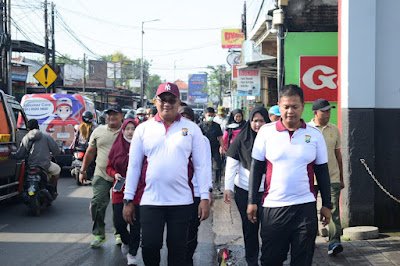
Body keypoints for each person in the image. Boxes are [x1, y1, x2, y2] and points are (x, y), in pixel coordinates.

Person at [123, 83, 210, 266]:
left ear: (179, 103)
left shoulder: (192, 129)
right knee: (149, 247)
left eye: (172, 100)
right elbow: (134, 166)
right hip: (150, 201)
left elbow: (201, 165)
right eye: (163, 100)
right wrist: (128, 199)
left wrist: (204, 197)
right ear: (156, 101)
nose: (167, 104)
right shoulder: (143, 129)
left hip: (182, 202)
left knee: (178, 251)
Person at [247, 84, 332, 265]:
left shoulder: (315, 135)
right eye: (286, 107)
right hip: (273, 207)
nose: (290, 112)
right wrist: (251, 201)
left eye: (295, 106)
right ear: (279, 105)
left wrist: (327, 204)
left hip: (305, 208)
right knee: (271, 259)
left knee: (303, 260)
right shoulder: (266, 132)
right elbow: (257, 168)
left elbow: (322, 172)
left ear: (303, 106)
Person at [224, 107, 270, 266]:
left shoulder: (273, 138)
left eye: (261, 121)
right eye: (255, 121)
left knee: (269, 229)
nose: (258, 124)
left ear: (267, 121)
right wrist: (227, 188)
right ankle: (252, 261)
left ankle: (267, 259)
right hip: (244, 190)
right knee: (250, 229)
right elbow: (231, 164)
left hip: (268, 193)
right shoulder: (241, 139)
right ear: (250, 121)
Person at [79, 105, 124, 248]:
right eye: (109, 114)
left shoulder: (128, 131)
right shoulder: (98, 131)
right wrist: (83, 170)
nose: (112, 117)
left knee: (119, 207)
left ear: (121, 116)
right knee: (98, 203)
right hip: (101, 174)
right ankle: (99, 233)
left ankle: (120, 233)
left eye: (115, 114)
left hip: (122, 177)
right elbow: (90, 152)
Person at [309, 98, 344, 256]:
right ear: (315, 112)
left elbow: (338, 155)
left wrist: (341, 177)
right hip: (311, 179)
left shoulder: (334, 129)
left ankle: (334, 242)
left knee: (333, 210)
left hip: (332, 177)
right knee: (309, 211)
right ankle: (308, 239)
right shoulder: (307, 130)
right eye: (325, 111)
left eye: (330, 110)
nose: (329, 113)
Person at [178, 106, 213, 266]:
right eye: (181, 118)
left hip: (196, 192)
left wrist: (208, 192)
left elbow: (205, 167)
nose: (185, 122)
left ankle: (188, 258)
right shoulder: (171, 138)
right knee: (177, 231)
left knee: (192, 229)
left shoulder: (202, 140)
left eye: (188, 118)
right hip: (176, 192)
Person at [106, 118, 141, 265]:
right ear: (123, 130)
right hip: (120, 189)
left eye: (133, 128)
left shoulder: (142, 145)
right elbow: (108, 167)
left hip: (138, 190)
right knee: (119, 223)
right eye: (127, 128)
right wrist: (114, 174)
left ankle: (132, 253)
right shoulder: (116, 147)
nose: (130, 132)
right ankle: (126, 242)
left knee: (135, 223)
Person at [12, 119, 61, 196]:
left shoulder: (25, 138)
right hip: (45, 165)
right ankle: (52, 190)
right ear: (38, 127)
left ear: (28, 129)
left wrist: (11, 154)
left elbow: (20, 154)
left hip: (30, 166)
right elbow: (56, 151)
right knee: (57, 170)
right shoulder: (46, 137)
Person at [199, 107, 226, 192]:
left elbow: (220, 137)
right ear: (205, 115)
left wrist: (223, 148)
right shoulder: (200, 126)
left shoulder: (216, 126)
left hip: (215, 148)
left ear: (214, 115)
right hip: (204, 149)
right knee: (204, 167)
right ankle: (205, 184)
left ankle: (217, 185)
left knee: (217, 166)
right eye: (208, 115)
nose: (210, 117)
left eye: (211, 115)